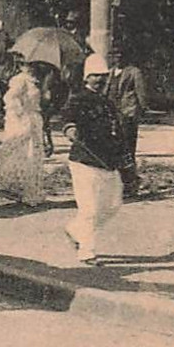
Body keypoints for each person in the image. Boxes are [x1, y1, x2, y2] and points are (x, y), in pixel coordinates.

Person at [61, 53, 127, 262]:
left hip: (107, 161)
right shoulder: (78, 98)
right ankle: (87, 252)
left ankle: (74, 230)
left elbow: (117, 130)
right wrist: (70, 129)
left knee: (112, 205)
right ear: (86, 78)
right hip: (84, 160)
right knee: (89, 208)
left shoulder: (108, 103)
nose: (100, 80)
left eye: (103, 76)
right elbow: (68, 117)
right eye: (95, 76)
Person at [0, 65, 47, 205]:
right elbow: (9, 97)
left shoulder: (36, 81)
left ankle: (27, 192)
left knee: (32, 155)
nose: (31, 67)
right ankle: (0, 183)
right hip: (23, 120)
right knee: (19, 152)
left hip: (34, 120)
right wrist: (21, 112)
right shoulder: (20, 80)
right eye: (28, 64)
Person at [106, 48, 151, 197]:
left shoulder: (133, 72)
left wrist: (142, 109)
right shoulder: (110, 73)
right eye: (112, 55)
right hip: (112, 115)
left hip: (128, 114)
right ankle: (118, 181)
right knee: (114, 148)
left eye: (119, 55)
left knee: (127, 148)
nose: (116, 58)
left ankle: (130, 183)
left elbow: (140, 92)